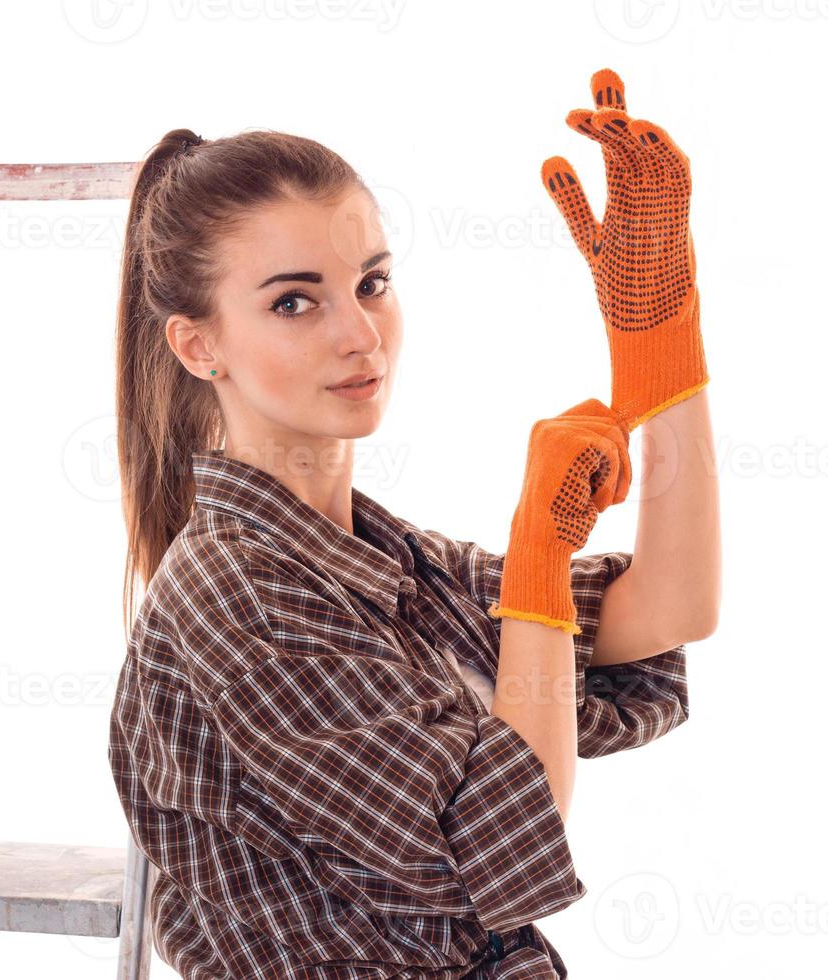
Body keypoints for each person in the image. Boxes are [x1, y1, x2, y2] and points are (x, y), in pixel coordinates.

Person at [108, 67, 720, 979]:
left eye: (373, 282)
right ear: (199, 345)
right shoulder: (240, 595)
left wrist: (658, 345)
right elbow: (513, 835)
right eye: (293, 301)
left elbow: (670, 607)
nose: (360, 334)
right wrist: (541, 560)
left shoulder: (385, 561)